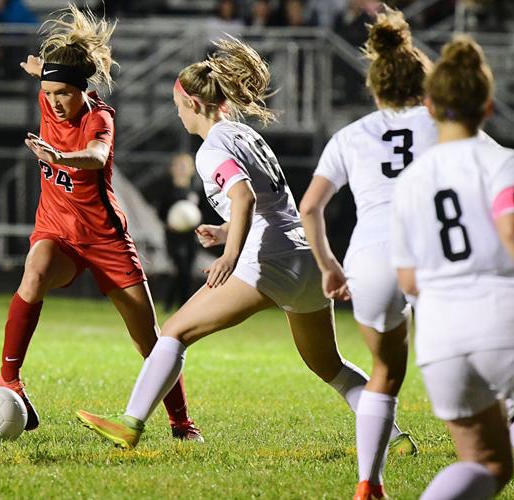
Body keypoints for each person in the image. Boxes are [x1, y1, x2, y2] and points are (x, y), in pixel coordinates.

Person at [76, 37, 415, 454]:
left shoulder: (211, 150)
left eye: (178, 105)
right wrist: (223, 231)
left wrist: (229, 255)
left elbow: (245, 197)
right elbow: (268, 202)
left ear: (195, 105)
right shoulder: (244, 135)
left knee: (176, 331)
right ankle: (395, 439)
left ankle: (130, 424)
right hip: (304, 255)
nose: (177, 113)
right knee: (331, 367)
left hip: (267, 257)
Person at [300, 10, 514, 500]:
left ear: (375, 88)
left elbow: (311, 205)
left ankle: (368, 485)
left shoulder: (352, 134)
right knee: (492, 371)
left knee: (385, 372)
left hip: (371, 257)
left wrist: (328, 264)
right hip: (439, 255)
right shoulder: (441, 122)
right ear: (426, 85)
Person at [0, 4, 202, 442]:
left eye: (62, 94)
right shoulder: (51, 95)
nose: (54, 102)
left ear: (81, 92)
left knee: (150, 338)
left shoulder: (98, 116)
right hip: (57, 233)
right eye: (49, 94)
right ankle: (9, 380)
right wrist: (42, 72)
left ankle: (181, 422)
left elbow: (98, 157)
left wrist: (60, 157)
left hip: (106, 240)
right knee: (33, 272)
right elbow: (52, 80)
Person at [391, 35, 514, 499]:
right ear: (488, 108)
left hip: (439, 336)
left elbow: (408, 279)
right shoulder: (503, 161)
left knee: (488, 464)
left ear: (431, 106)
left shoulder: (409, 181)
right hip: (506, 315)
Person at [153, 153, 201, 311]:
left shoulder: (196, 190)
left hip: (191, 236)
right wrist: (170, 222)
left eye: (185, 166)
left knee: (186, 269)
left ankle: (175, 304)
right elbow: (160, 212)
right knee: (181, 268)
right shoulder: (167, 190)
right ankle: (181, 304)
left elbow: (203, 213)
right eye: (178, 166)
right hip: (174, 236)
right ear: (172, 169)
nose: (181, 169)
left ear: (192, 169)